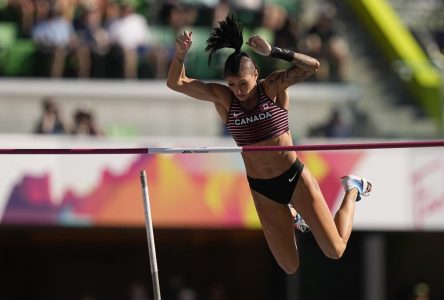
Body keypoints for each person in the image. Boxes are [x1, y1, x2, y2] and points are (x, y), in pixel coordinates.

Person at [166, 14, 372, 274]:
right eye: (232, 84)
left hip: (293, 178)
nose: (239, 90)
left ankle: (353, 189)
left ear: (256, 75)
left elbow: (313, 66)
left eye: (243, 83)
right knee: (289, 266)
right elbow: (176, 83)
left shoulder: (271, 88)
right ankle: (295, 216)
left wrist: (275, 51)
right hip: (263, 189)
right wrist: (180, 55)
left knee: (335, 250)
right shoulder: (224, 99)